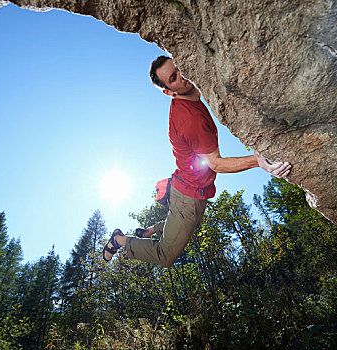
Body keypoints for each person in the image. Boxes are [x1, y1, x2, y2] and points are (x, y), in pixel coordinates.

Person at [102, 56, 291, 267]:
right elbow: (216, 164)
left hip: (188, 186)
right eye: (174, 78)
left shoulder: (192, 93)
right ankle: (119, 240)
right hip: (188, 195)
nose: (182, 77)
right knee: (166, 255)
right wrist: (258, 161)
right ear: (169, 91)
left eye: (179, 69)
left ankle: (151, 230)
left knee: (187, 224)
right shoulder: (189, 119)